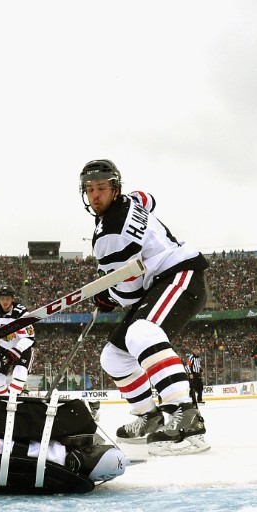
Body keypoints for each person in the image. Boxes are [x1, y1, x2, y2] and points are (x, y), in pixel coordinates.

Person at [80, 159, 211, 456]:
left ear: (114, 188)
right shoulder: (130, 200)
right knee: (114, 357)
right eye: (90, 189)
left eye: (101, 188)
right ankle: (149, 416)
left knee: (141, 331)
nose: (95, 195)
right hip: (160, 280)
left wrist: (108, 296)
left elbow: (130, 294)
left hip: (181, 275)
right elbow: (148, 199)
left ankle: (187, 418)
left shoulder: (110, 235)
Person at [0, 285, 36, 398]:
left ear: (12, 299)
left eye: (8, 298)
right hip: (4, 348)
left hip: (23, 348)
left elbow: (29, 337)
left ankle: (15, 398)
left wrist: (17, 350)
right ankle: (5, 403)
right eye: (2, 299)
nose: (5, 301)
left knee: (19, 374)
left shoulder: (20, 313)